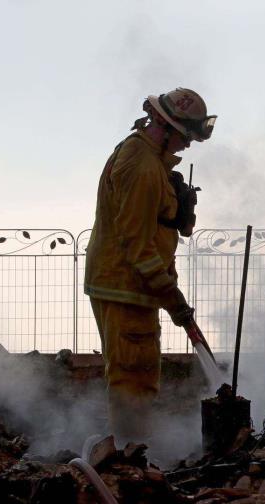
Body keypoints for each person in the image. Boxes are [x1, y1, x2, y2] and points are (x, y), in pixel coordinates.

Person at [84, 87, 216, 444]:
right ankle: (130, 456)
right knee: (133, 376)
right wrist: (172, 299)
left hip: (130, 285)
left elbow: (152, 232)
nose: (187, 145)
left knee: (138, 373)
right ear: (165, 125)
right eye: (185, 137)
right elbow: (137, 246)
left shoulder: (147, 158)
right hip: (126, 286)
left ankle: (132, 451)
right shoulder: (142, 167)